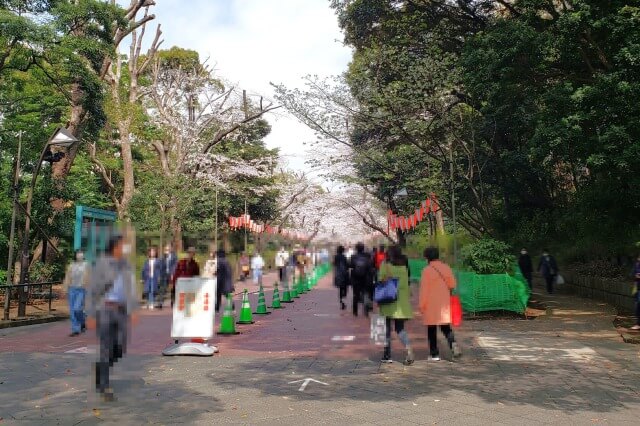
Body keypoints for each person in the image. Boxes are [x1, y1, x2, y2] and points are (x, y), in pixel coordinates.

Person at [86, 235, 139, 401]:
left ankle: (101, 368)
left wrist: (133, 309)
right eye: (123, 245)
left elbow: (130, 288)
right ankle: (104, 386)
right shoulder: (102, 263)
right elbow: (92, 290)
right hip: (105, 310)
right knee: (106, 347)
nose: (125, 248)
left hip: (121, 311)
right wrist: (91, 314)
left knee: (119, 348)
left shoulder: (126, 264)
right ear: (115, 246)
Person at [420, 246, 461, 361]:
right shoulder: (446, 268)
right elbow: (452, 284)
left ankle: (434, 354)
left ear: (427, 257)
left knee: (431, 330)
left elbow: (424, 290)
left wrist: (422, 305)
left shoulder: (426, 271)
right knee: (446, 328)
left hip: (431, 305)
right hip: (444, 303)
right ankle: (453, 344)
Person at [378, 245, 414, 365]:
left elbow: (380, 280)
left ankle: (387, 355)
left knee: (386, 329)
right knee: (400, 329)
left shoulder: (385, 265)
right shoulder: (404, 267)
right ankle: (409, 349)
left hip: (388, 302)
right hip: (402, 304)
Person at [62, 250, 89, 337]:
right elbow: (67, 277)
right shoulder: (71, 265)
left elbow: (90, 277)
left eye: (81, 253)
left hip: (81, 289)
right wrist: (65, 288)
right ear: (75, 255)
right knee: (72, 310)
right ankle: (75, 329)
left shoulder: (86, 265)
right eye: (78, 253)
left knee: (77, 308)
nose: (80, 255)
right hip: (72, 289)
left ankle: (82, 321)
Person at [349, 242, 373, 317]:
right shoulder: (367, 256)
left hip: (355, 278)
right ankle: (366, 310)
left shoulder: (353, 256)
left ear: (356, 248)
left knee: (356, 295)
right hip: (366, 278)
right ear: (363, 248)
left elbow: (350, 265)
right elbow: (370, 267)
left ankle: (355, 312)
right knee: (366, 293)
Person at [333, 245, 350, 310]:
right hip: (344, 275)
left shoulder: (336, 257)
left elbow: (334, 264)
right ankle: (343, 298)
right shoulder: (344, 257)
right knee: (345, 288)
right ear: (343, 250)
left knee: (340, 289)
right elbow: (347, 265)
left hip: (338, 275)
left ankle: (341, 302)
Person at [632, 255, 640, 330]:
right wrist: (636, 276)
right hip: (638, 289)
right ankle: (637, 324)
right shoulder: (637, 265)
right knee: (637, 305)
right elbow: (632, 274)